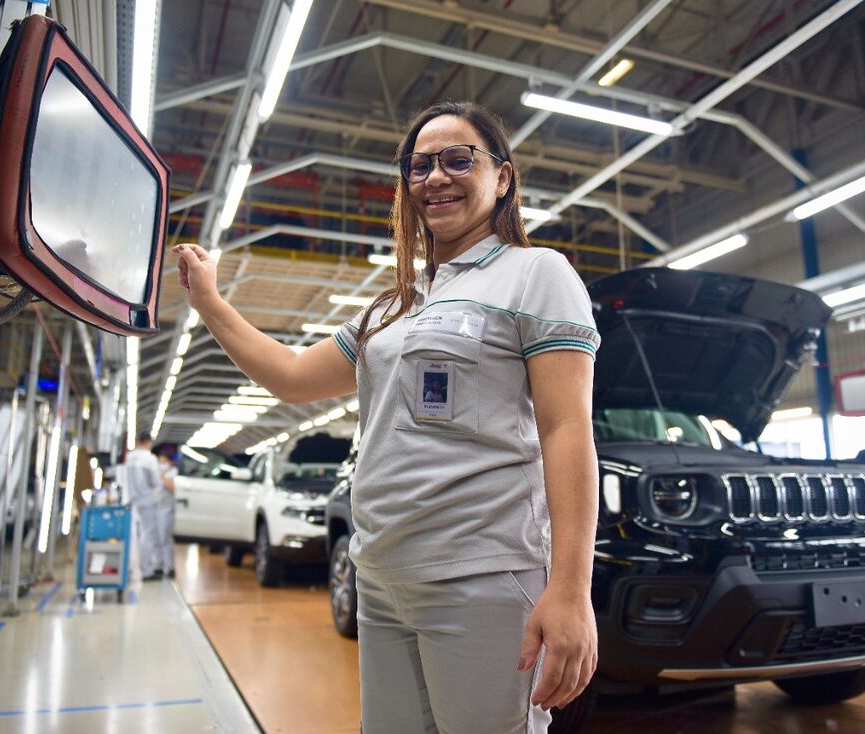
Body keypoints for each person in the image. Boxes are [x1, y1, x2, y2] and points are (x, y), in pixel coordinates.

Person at [174, 100, 600, 733]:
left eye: (459, 159)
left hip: (479, 573)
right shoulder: (394, 304)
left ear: (503, 177)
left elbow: (566, 430)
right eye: (420, 165)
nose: (436, 177)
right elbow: (292, 377)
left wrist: (570, 589)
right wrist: (209, 302)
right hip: (380, 577)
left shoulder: (536, 275)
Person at [123, 432, 164, 581]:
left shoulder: (130, 457)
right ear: (148, 443)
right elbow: (155, 481)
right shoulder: (150, 458)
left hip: (133, 500)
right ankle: (147, 570)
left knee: (133, 535)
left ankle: (128, 568)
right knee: (148, 535)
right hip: (148, 500)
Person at [154, 445, 178, 579]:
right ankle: (158, 565)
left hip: (166, 509)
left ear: (169, 462)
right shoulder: (156, 472)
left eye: (163, 461)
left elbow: (173, 488)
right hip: (155, 508)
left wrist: (163, 477)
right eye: (160, 461)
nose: (161, 464)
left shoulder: (172, 472)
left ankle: (170, 567)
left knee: (165, 538)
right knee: (156, 538)